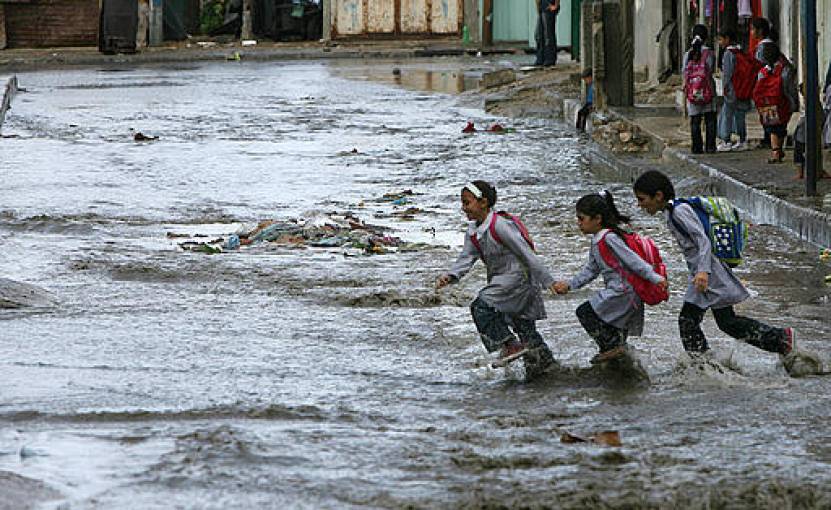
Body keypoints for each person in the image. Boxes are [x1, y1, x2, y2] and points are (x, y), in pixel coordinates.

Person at [632, 170, 796, 366]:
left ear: (658, 196)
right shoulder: (671, 212)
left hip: (709, 273)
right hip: (701, 274)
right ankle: (704, 363)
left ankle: (780, 339)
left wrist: (703, 272)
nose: (640, 205)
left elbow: (703, 240)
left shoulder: (679, 211)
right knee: (691, 321)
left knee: (723, 322)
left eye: (642, 199)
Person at [435, 181, 558, 375]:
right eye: (463, 203)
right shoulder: (473, 231)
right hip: (503, 282)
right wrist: (452, 275)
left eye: (467, 203)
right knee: (525, 329)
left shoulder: (500, 225)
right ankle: (546, 370)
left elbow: (526, 253)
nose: (463, 208)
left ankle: (509, 345)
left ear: (483, 202)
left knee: (481, 307)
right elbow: (467, 257)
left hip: (518, 280)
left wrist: (549, 281)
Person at [552, 192, 668, 364]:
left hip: (623, 293)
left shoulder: (609, 238)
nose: (578, 223)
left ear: (597, 219)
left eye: (581, 218)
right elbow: (591, 270)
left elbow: (634, 261)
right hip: (622, 294)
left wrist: (655, 278)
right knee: (615, 341)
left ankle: (612, 349)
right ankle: (622, 368)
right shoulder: (597, 240)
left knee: (585, 312)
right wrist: (570, 285)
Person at [752, 43, 798, 164]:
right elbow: (789, 89)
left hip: (767, 105)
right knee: (781, 127)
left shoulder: (762, 72)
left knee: (772, 128)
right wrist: (793, 103)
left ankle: (775, 152)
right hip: (783, 103)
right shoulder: (786, 69)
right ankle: (778, 150)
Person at [715, 29, 753, 152]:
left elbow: (727, 74)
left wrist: (725, 88)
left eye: (721, 39)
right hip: (741, 88)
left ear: (727, 39)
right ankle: (742, 140)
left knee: (727, 115)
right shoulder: (740, 51)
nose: (719, 42)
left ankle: (726, 140)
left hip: (732, 90)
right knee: (740, 116)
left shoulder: (728, 54)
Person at [683, 24, 717, 154]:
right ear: (706, 37)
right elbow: (711, 70)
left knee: (695, 121)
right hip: (708, 90)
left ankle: (696, 147)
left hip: (693, 91)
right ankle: (710, 146)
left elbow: (684, 72)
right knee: (710, 119)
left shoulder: (688, 54)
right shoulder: (709, 53)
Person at [751, 18, 777, 149]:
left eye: (753, 29)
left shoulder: (763, 47)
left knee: (767, 112)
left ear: (760, 31)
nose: (751, 32)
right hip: (771, 84)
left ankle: (770, 139)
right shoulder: (770, 45)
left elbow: (759, 66)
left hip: (766, 84)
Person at [534, 0, 559, 67]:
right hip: (542, 6)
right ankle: (541, 58)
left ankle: (549, 59)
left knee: (548, 34)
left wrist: (556, 5)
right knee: (539, 35)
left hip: (548, 5)